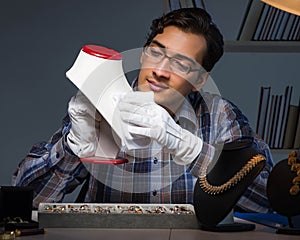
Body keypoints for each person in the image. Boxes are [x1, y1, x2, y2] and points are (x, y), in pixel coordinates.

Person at [12, 8, 274, 213]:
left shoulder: (219, 115)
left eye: (181, 64)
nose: (160, 71)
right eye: (156, 53)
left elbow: (270, 201)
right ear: (142, 55)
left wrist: (194, 151)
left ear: (200, 80)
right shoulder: (98, 106)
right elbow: (27, 199)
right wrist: (71, 147)